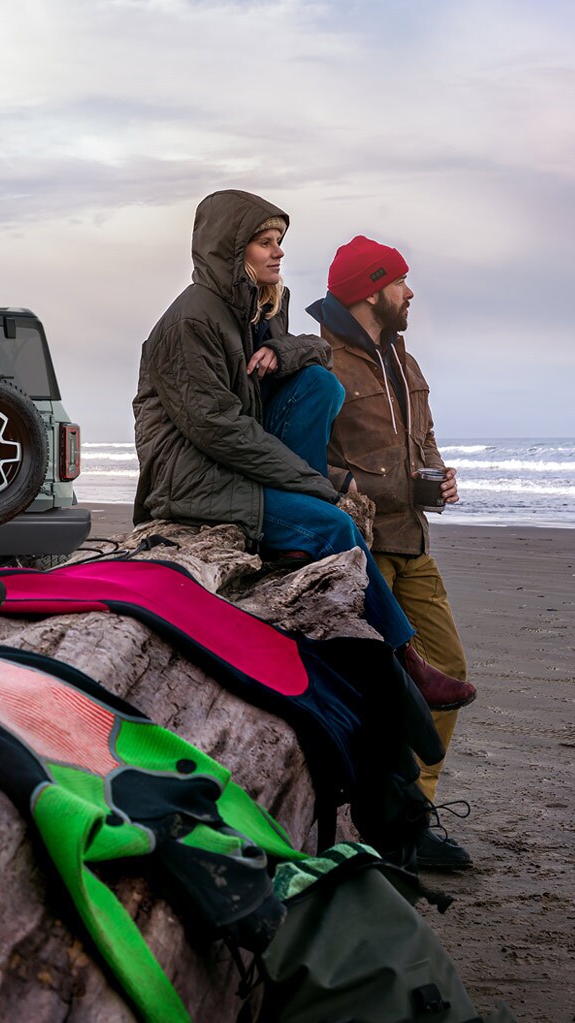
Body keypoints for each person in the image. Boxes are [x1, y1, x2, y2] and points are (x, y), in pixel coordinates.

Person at [131, 190, 473, 711]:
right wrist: (320, 486)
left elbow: (315, 350)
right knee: (336, 524)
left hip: (241, 465)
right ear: (231, 250)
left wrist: (278, 347)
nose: (279, 253)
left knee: (319, 384)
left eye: (279, 241)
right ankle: (405, 660)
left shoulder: (261, 306)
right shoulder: (190, 321)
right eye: (265, 243)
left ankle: (299, 528)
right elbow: (217, 430)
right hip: (197, 477)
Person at [308, 236, 477, 869]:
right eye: (401, 282)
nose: (410, 293)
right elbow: (300, 456)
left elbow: (423, 440)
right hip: (361, 549)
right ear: (370, 289)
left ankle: (413, 815)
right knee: (376, 692)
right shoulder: (321, 361)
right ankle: (380, 822)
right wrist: (351, 485)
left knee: (447, 672)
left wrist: (439, 474)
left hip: (412, 543)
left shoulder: (402, 359)